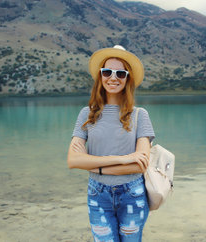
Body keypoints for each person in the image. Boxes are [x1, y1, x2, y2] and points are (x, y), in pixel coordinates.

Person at [67, 45, 155, 242]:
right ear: (100, 76)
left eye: (120, 73)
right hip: (98, 195)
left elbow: (140, 164)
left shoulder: (140, 115)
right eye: (107, 72)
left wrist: (93, 165)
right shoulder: (87, 114)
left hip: (132, 194)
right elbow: (73, 160)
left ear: (127, 79)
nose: (113, 78)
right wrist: (124, 159)